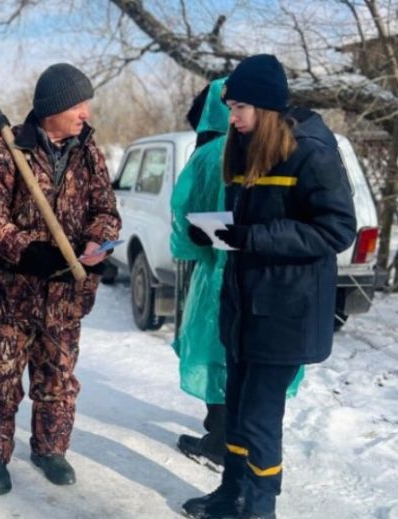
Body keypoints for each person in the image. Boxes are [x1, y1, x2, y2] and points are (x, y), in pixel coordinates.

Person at [182, 54, 356, 519]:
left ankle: (258, 510)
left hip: (285, 312)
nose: (232, 117)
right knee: (237, 409)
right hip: (244, 306)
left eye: (239, 107)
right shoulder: (244, 149)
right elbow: (251, 220)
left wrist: (253, 237)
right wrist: (216, 231)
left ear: (265, 107)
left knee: (259, 420)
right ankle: (229, 497)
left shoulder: (311, 152)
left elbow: (337, 230)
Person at [0, 63, 121, 495]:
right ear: (51, 108)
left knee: (58, 382)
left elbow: (107, 211)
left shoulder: (88, 151)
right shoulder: (4, 149)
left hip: (66, 297)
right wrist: (29, 250)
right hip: (7, 297)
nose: (85, 113)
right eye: (77, 104)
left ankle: (50, 449)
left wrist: (96, 244)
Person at [170, 78, 305, 468]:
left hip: (217, 272)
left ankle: (221, 440)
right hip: (268, 275)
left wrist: (192, 247)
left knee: (217, 353)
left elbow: (183, 216)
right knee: (249, 360)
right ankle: (246, 446)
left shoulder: (211, 154)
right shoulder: (281, 147)